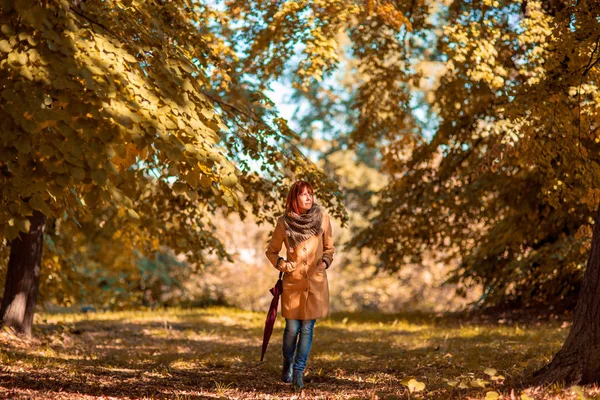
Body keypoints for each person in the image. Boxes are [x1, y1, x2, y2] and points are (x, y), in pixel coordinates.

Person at [265, 180, 335, 390]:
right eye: (303, 194)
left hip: (315, 283)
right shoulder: (283, 222)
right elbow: (272, 251)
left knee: (307, 329)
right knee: (291, 329)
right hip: (293, 284)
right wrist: (283, 265)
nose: (308, 197)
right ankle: (287, 360)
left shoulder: (323, 219)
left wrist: (324, 263)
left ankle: (298, 371)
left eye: (310, 194)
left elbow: (329, 249)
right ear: (293, 199)